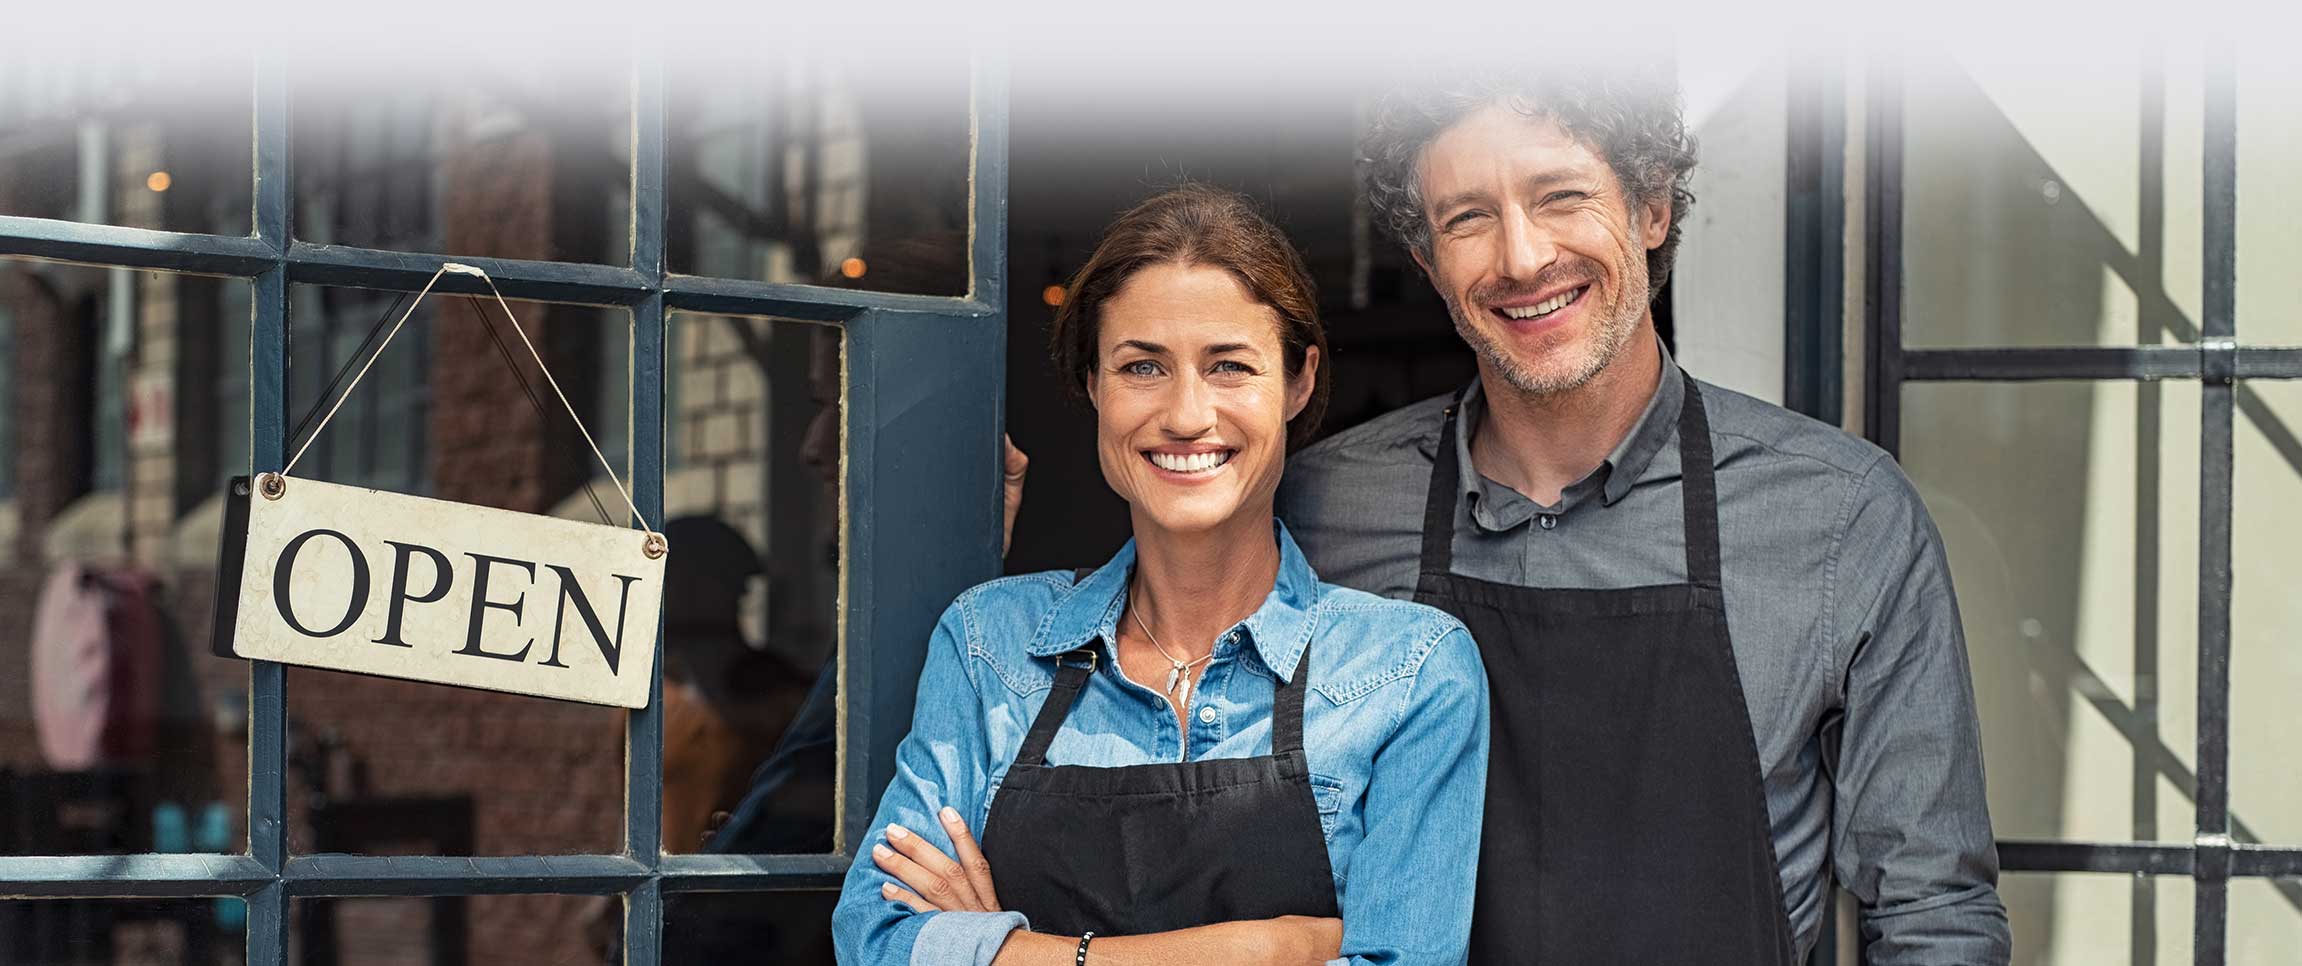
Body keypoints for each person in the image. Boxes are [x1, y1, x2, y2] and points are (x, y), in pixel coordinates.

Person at [1262, 65, 2009, 963]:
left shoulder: (1841, 516)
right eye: (1468, 218)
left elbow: (1934, 915)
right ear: (1427, 261)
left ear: (1651, 209)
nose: (1523, 258)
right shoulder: (1320, 508)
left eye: (1560, 196)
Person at [832, 184, 1489, 966]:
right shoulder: (990, 644)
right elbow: (875, 937)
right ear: (1093, 386)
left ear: (1300, 381)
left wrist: (1005, 950)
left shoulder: (1407, 670)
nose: (1185, 415)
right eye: (1142, 366)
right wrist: (1264, 948)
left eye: (1230, 367)